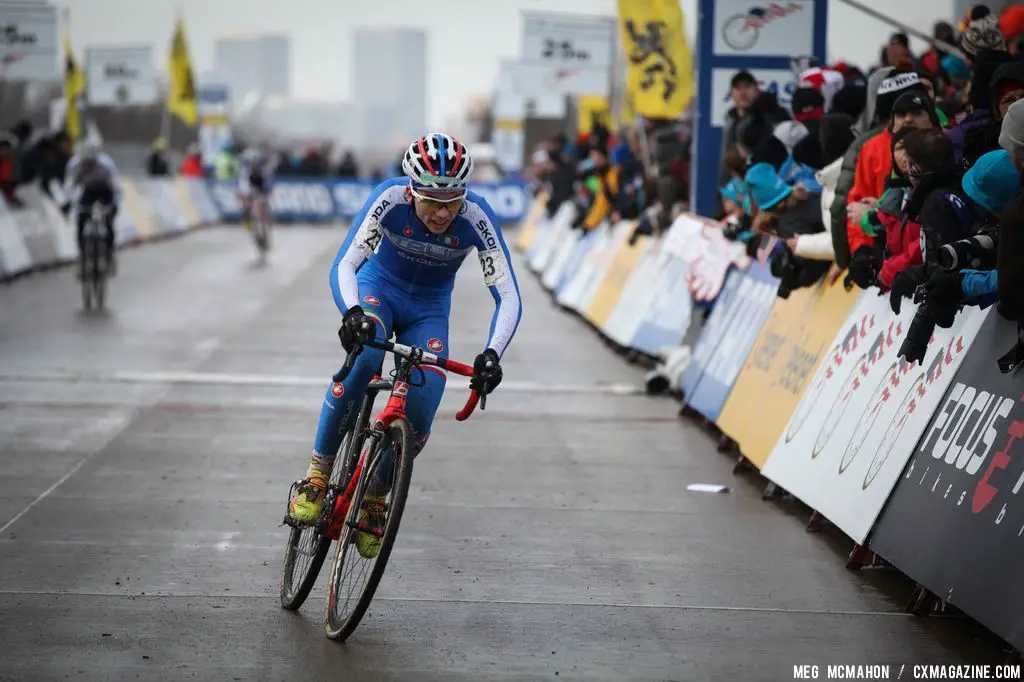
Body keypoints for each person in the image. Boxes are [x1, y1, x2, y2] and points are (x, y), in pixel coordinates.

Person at [287, 133, 522, 558]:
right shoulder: (390, 199)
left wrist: (492, 354)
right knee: (367, 357)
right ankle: (318, 473)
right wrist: (352, 312)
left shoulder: (476, 217)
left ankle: (376, 494)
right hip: (379, 291)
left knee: (422, 405)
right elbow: (347, 262)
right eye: (432, 200)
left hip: (429, 310)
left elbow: (507, 293)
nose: (442, 212)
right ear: (411, 189)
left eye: (452, 200)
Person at [61, 140, 122, 278]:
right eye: (86, 163)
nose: (88, 166)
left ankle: (108, 254)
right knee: (81, 221)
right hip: (88, 190)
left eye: (91, 164)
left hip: (106, 190)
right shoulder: (74, 164)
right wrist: (67, 202)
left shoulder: (106, 164)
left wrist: (114, 206)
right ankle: (83, 258)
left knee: (108, 223)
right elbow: (69, 185)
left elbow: (117, 185)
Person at [237, 143, 277, 228]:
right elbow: (244, 182)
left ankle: (266, 218)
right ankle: (247, 218)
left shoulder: (263, 166)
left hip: (259, 179)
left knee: (264, 199)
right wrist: (245, 194)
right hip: (248, 179)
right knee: (247, 200)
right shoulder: (245, 170)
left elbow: (267, 177)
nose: (255, 166)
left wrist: (268, 189)